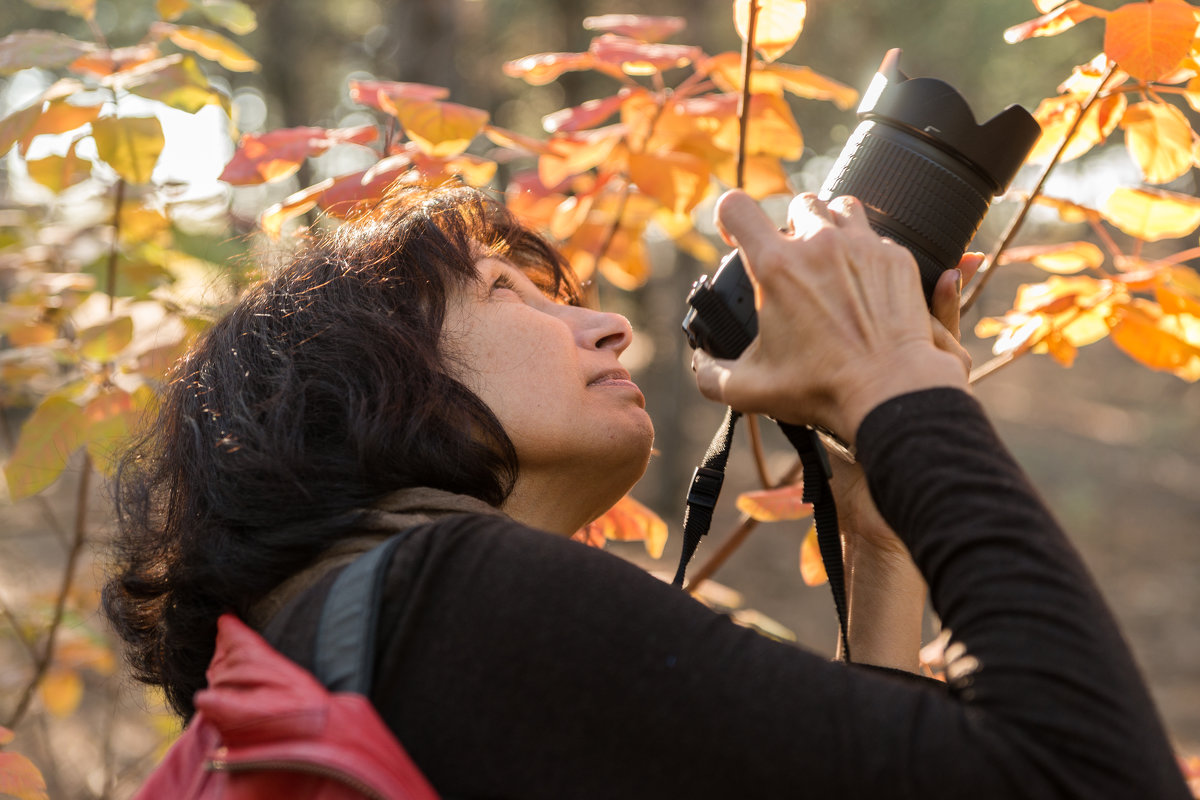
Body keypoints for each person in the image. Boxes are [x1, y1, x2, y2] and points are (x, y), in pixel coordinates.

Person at [103, 183, 1190, 798]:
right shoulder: (454, 598)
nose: (607, 322)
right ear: (375, 383)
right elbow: (1098, 775)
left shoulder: (361, 635)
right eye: (508, 294)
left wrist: (885, 550)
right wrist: (898, 383)